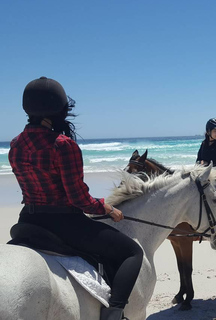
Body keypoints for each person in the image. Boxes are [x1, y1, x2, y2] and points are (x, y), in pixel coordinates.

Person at [9, 77, 144, 320]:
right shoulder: (62, 145)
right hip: (64, 224)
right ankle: (114, 314)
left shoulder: (15, 144)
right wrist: (106, 207)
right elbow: (78, 198)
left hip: (27, 221)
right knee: (132, 253)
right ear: (56, 109)